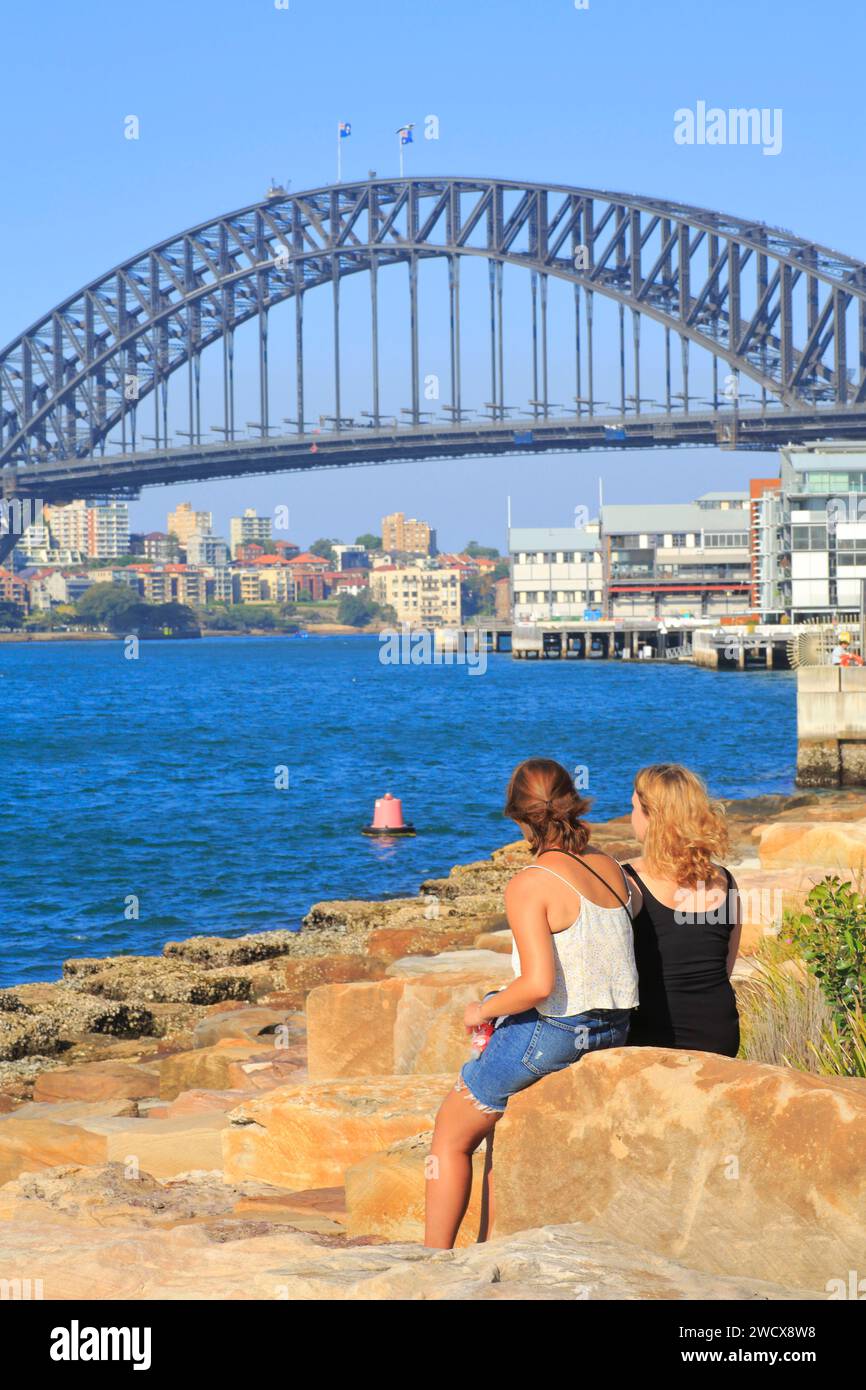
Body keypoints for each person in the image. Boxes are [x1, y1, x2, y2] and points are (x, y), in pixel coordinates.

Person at [424, 757, 638, 1250]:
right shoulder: (608, 867)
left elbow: (538, 985)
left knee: (450, 1134)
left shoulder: (530, 883)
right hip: (615, 1027)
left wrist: (484, 1009)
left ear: (519, 818)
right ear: (572, 801)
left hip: (558, 1033)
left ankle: (432, 1262)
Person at [621, 764, 741, 1057]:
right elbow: (724, 967)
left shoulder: (628, 881)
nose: (631, 817)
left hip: (654, 1038)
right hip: (720, 1037)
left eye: (635, 808)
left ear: (653, 817)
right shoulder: (725, 880)